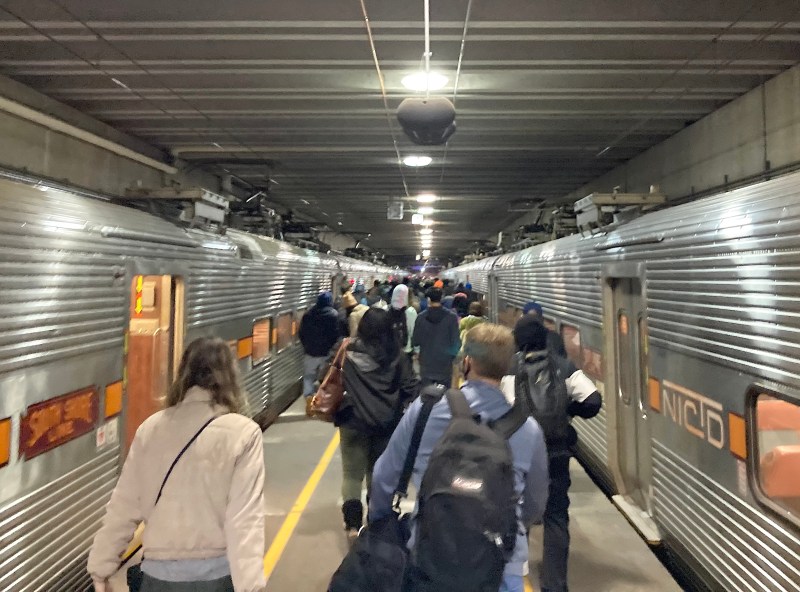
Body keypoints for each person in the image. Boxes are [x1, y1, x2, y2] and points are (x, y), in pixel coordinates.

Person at [369, 323, 549, 592]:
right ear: (507, 367)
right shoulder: (528, 429)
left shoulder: (426, 410)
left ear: (467, 362)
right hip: (501, 569)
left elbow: (384, 477)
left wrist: (379, 523)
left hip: (430, 559)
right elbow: (535, 504)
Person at [87, 337, 266, 592]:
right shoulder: (244, 433)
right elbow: (244, 520)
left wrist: (100, 567)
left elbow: (123, 506)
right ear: (230, 377)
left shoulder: (149, 430)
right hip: (215, 578)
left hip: (157, 579)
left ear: (183, 374)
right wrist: (251, 586)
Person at [510, 316, 602, 592]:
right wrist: (568, 411)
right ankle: (555, 585)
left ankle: (516, 576)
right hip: (555, 454)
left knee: (516, 517)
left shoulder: (509, 369)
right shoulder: (563, 367)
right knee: (556, 518)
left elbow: (500, 408)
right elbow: (593, 400)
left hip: (521, 456)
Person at [335, 308, 419, 539]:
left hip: (351, 420)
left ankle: (352, 525)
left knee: (351, 475)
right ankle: (375, 520)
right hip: (386, 423)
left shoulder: (346, 351)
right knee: (377, 472)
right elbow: (411, 387)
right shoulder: (396, 356)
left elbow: (329, 375)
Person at [299, 292, 340, 414]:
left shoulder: (308, 314)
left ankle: (309, 398)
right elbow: (336, 334)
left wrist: (306, 345)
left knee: (308, 377)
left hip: (310, 353)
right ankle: (322, 405)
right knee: (325, 380)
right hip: (326, 354)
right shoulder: (334, 315)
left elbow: (301, 333)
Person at [412, 288, 461, 388]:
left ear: (429, 299)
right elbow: (456, 342)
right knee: (444, 396)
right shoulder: (451, 317)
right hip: (445, 364)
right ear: (441, 298)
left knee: (427, 395)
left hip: (426, 363)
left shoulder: (421, 317)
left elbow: (415, 341)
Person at [390, 284, 418, 364]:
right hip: (405, 350)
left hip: (389, 349)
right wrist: (417, 350)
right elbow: (413, 331)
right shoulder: (411, 312)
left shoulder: (386, 309)